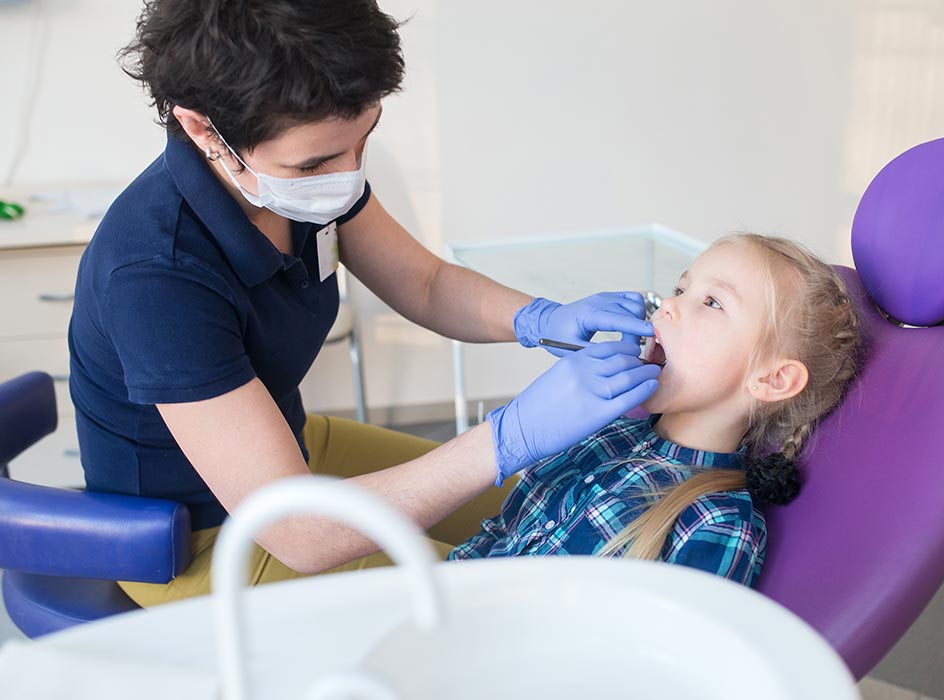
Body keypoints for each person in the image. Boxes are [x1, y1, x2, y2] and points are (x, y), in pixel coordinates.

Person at [70, 0, 661, 606]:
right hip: (200, 539)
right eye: (316, 162)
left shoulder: (302, 183)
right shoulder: (155, 274)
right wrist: (509, 436)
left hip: (294, 449)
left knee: (548, 506)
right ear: (204, 130)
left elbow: (425, 283)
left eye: (363, 140)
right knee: (510, 596)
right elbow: (298, 532)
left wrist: (539, 319)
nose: (348, 175)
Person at [448, 234, 863, 587]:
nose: (667, 304)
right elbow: (502, 536)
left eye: (712, 302)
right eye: (681, 289)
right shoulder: (610, 432)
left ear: (773, 379)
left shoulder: (714, 524)